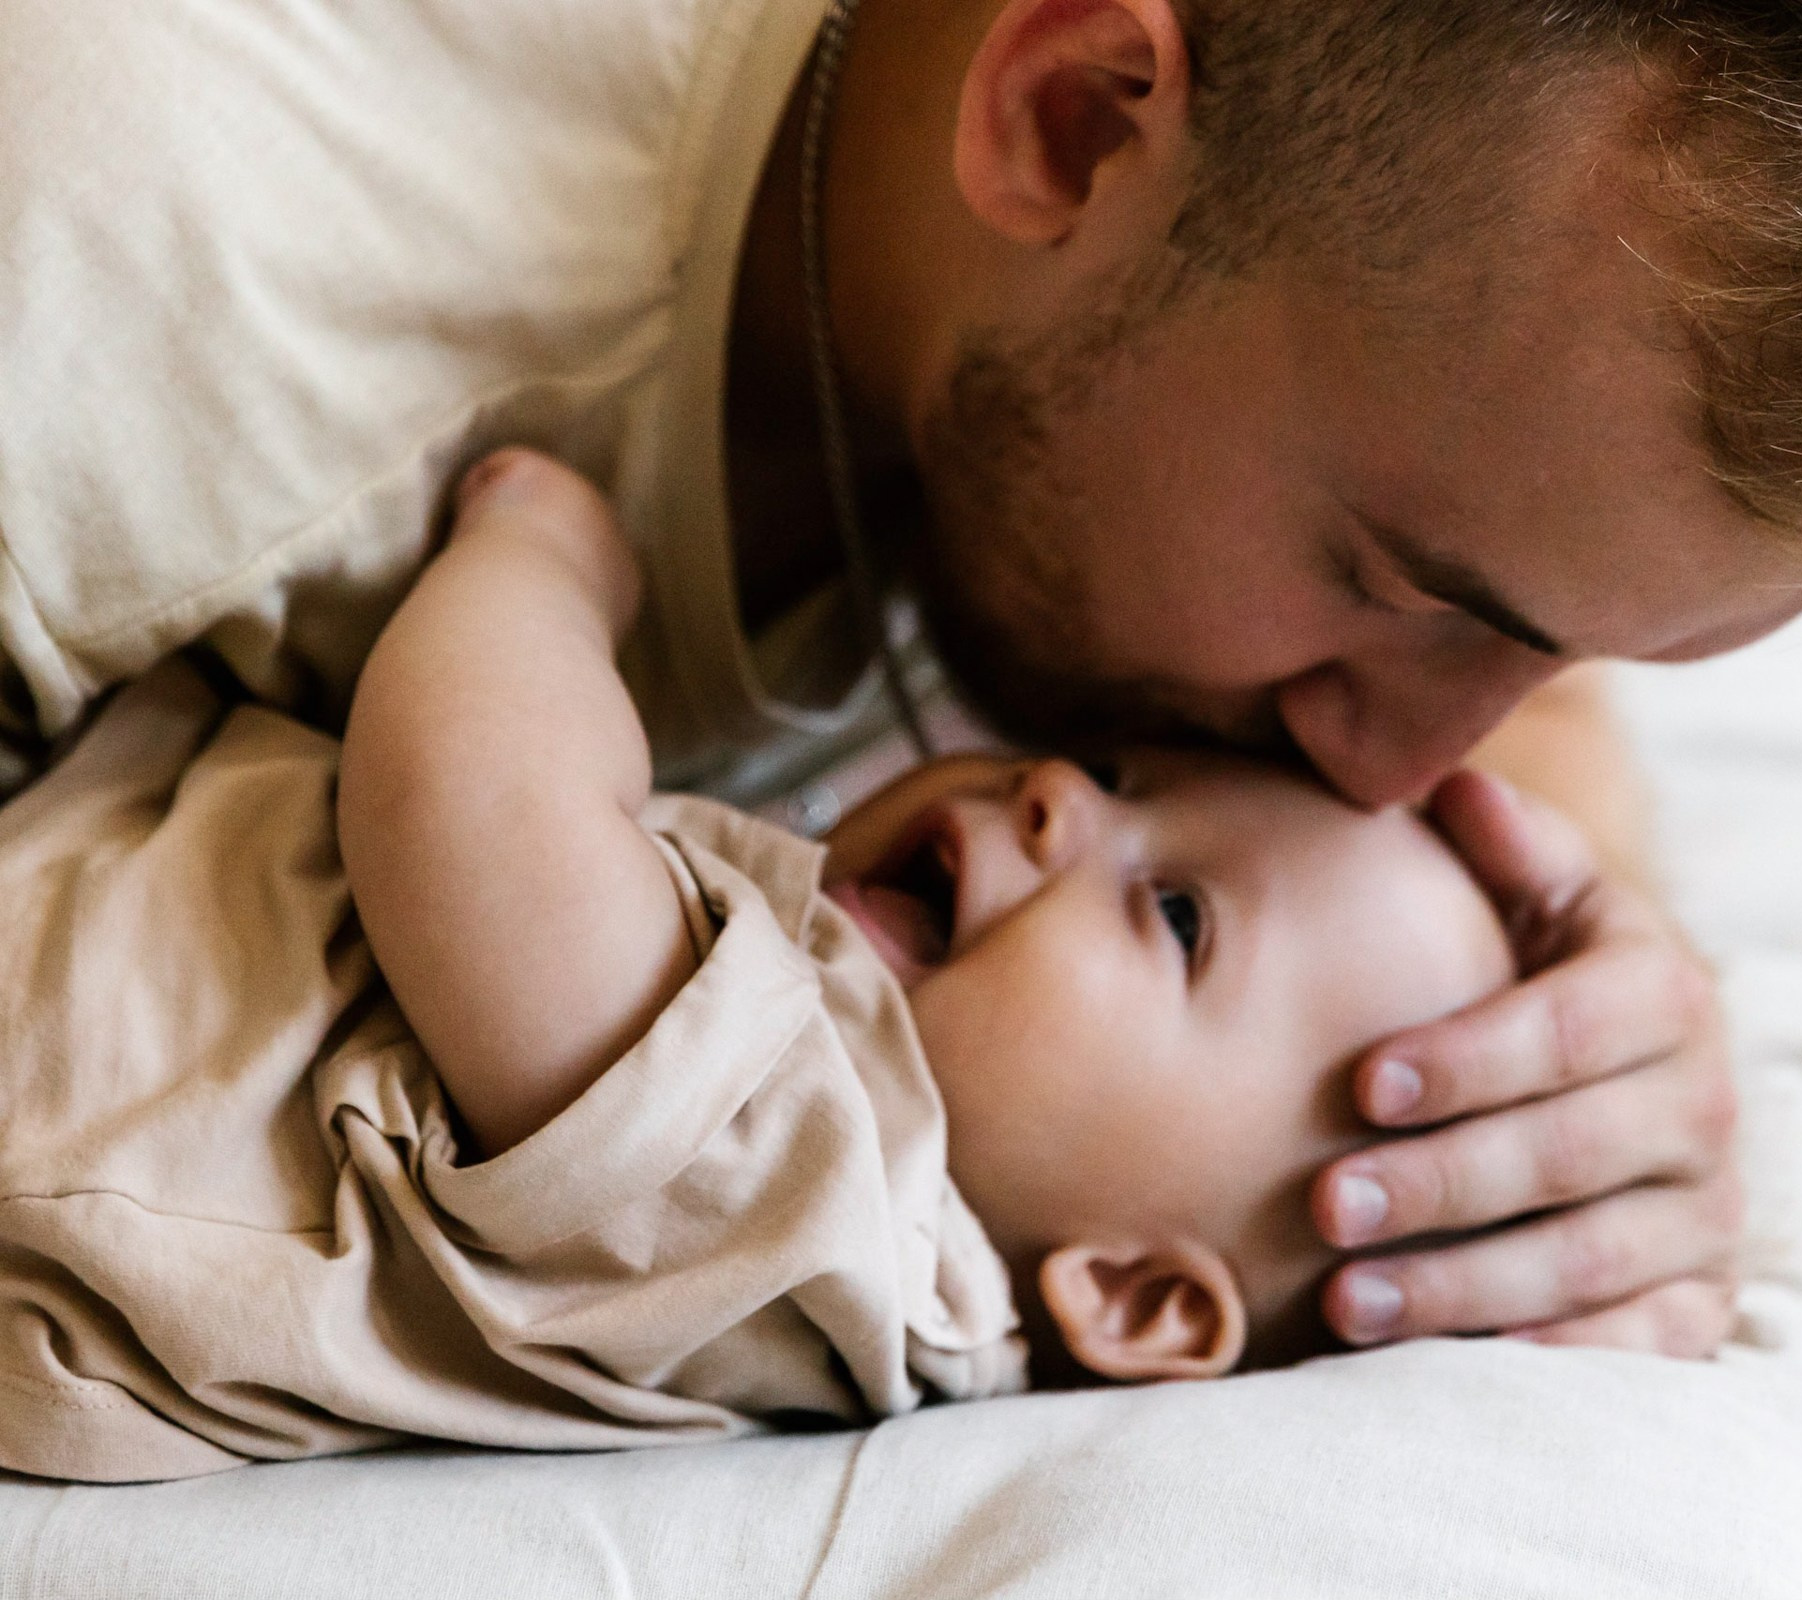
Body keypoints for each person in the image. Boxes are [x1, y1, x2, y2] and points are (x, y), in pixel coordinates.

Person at [0, 0, 1802, 1354]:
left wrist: (1552, 1042)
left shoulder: (1363, 307)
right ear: (1076, 112)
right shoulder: (153, 302)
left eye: (1567, 652)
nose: (1400, 763)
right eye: (1406, 589)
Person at [0, 451, 1516, 1481]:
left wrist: (548, 564)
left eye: (1177, 913)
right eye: (1117, 769)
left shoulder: (826, 1213)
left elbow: (474, 808)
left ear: (1131, 1295)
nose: (1058, 793)